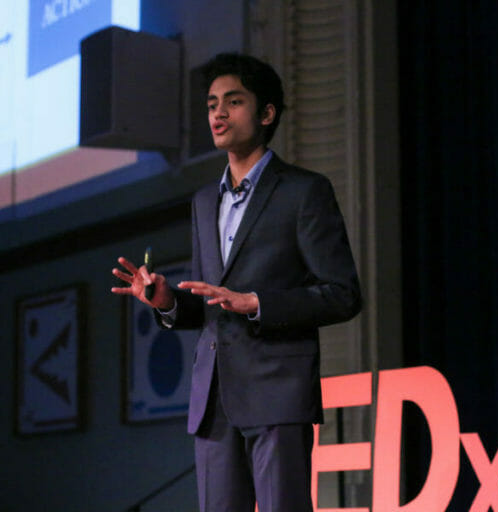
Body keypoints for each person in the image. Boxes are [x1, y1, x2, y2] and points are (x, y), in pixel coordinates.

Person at [111, 53, 361, 512]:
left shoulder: (304, 191)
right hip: (214, 400)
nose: (218, 114)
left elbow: (342, 294)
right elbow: (209, 303)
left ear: (266, 114)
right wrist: (167, 302)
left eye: (233, 102)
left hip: (277, 392)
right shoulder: (204, 201)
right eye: (211, 105)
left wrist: (256, 302)